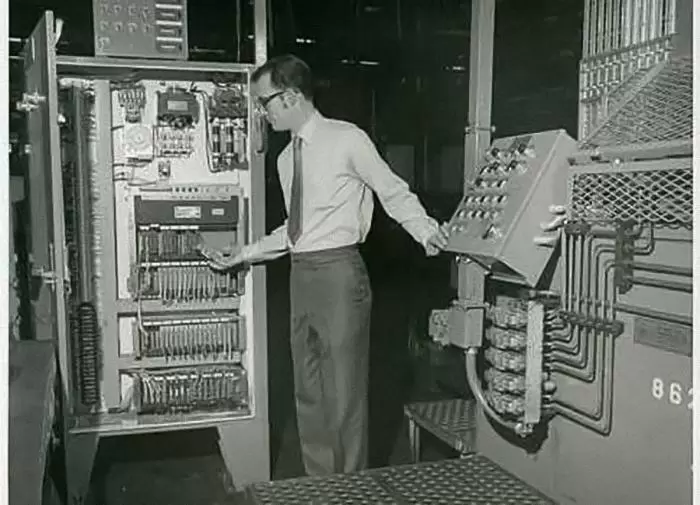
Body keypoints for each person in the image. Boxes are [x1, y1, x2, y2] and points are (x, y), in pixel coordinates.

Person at [203, 54, 449, 476]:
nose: (262, 112)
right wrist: (242, 254)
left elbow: (392, 191)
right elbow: (296, 229)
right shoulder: (285, 159)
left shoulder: (347, 139)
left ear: (292, 95)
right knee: (309, 391)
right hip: (302, 274)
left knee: (344, 395)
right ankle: (322, 486)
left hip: (339, 275)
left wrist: (427, 231)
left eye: (266, 102)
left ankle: (349, 487)